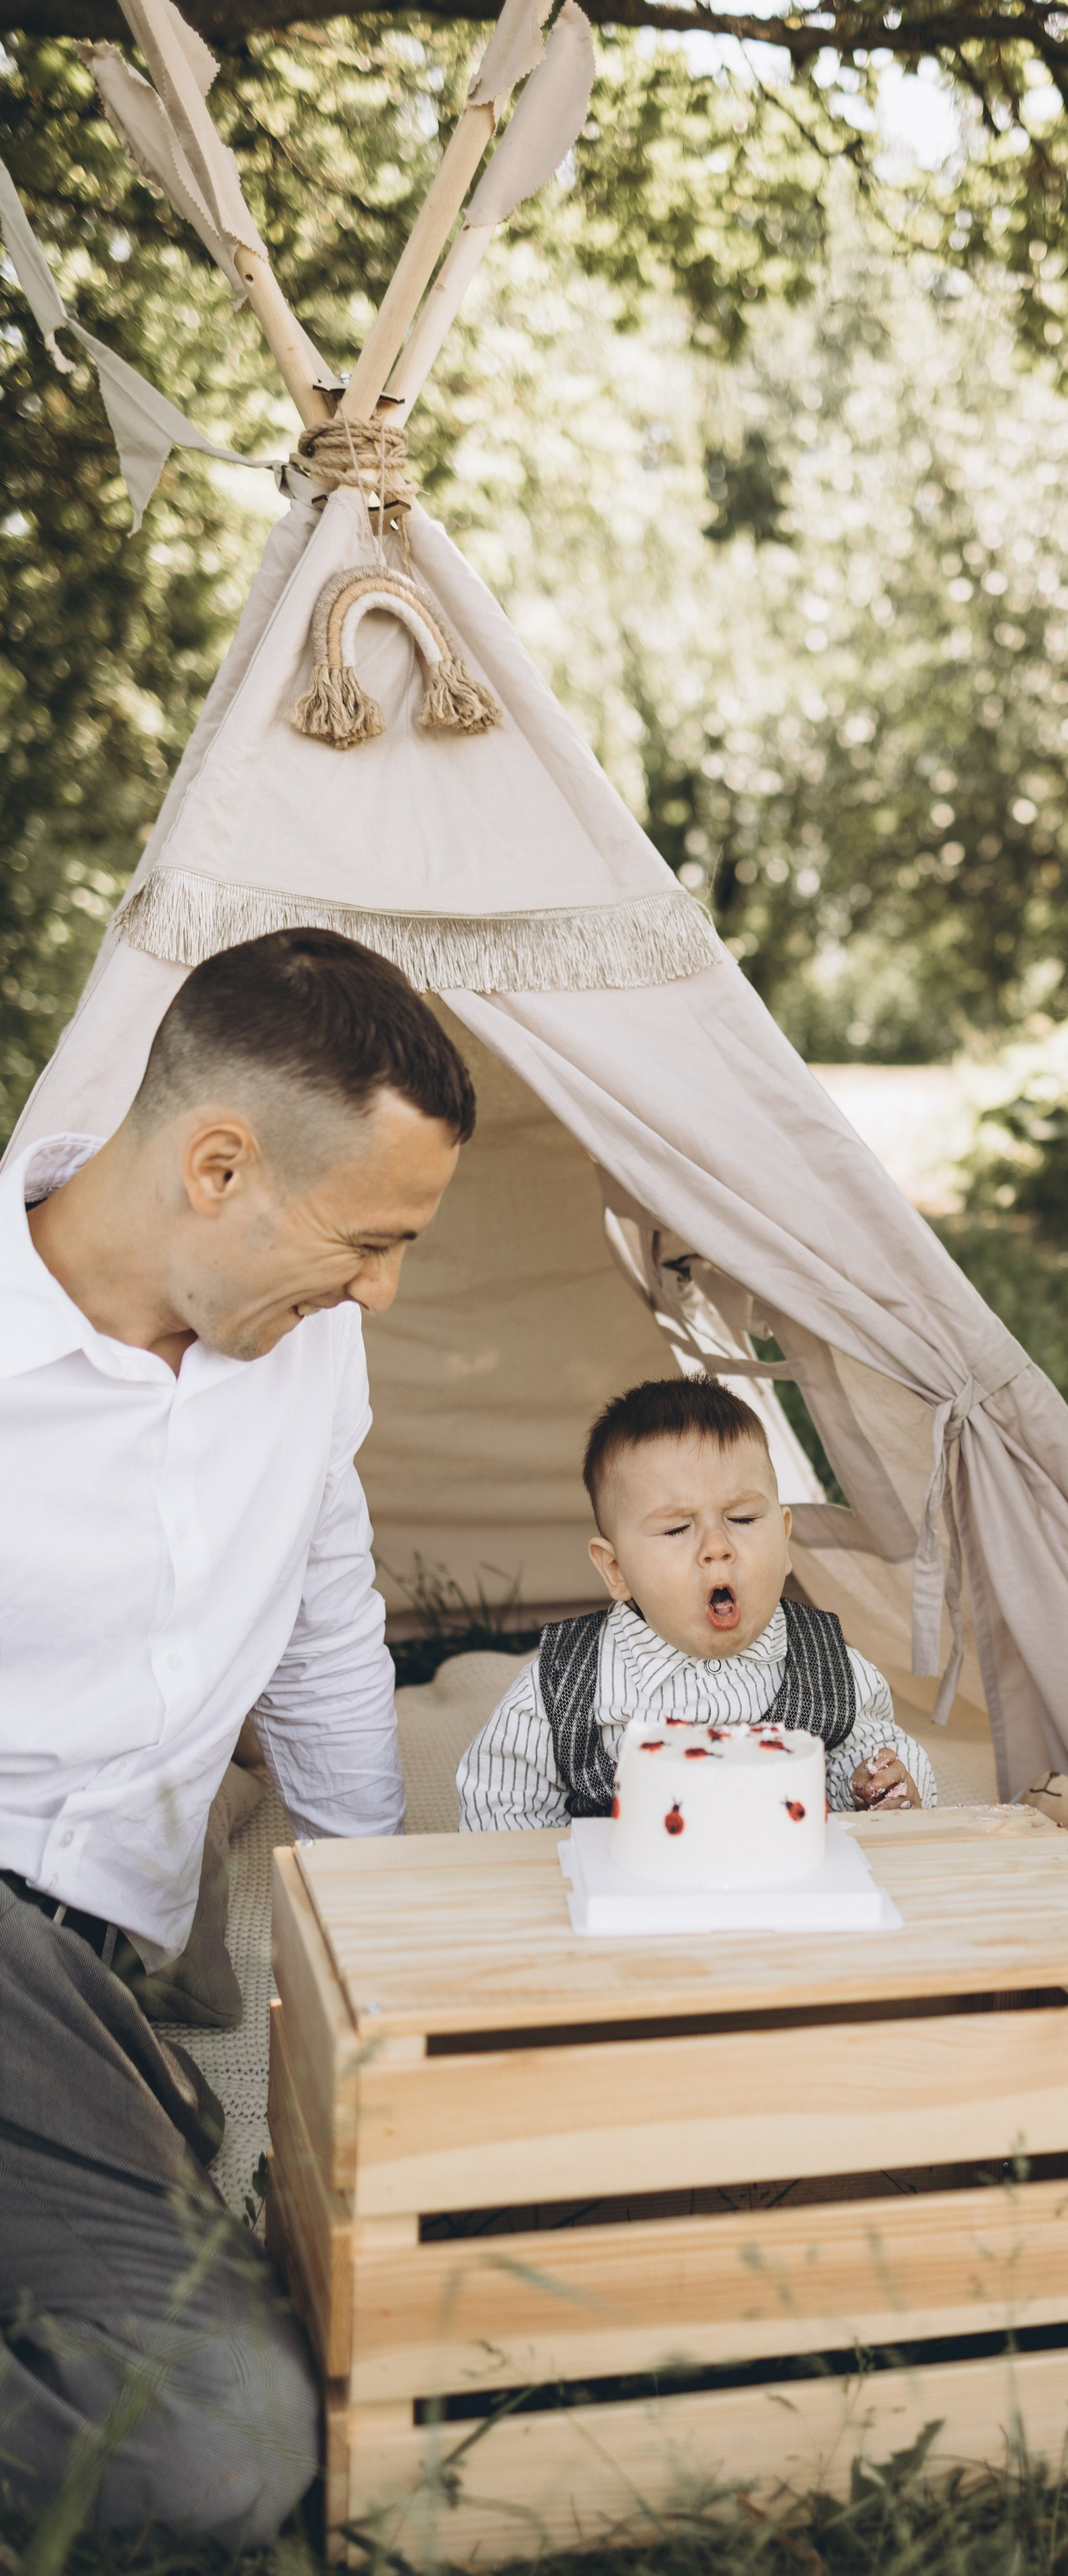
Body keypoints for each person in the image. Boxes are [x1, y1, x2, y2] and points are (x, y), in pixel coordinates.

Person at [0, 926, 473, 2537]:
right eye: (370, 1239)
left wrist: (370, 1941)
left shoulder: (306, 1345)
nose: (382, 1289)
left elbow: (327, 1615)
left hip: (86, 1978)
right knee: (221, 2447)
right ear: (219, 1167)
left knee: (231, 2443)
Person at [459, 1377, 935, 1827]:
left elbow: (873, 1749)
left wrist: (879, 1786)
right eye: (676, 1528)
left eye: (743, 1518)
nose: (717, 1546)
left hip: (787, 1882)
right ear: (617, 1569)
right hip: (629, 1885)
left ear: (785, 1539)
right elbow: (502, 1802)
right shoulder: (565, 1682)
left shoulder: (828, 1663)